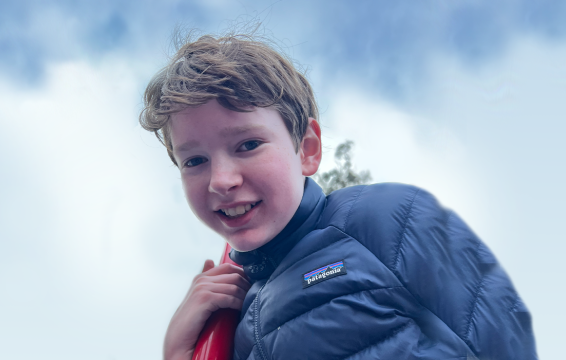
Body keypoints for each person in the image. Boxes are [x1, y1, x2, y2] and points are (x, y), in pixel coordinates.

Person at [139, 33, 537, 360]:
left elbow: (500, 331)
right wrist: (179, 352)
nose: (221, 180)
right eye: (194, 161)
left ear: (307, 149)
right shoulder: (235, 319)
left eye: (248, 144)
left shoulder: (385, 219)